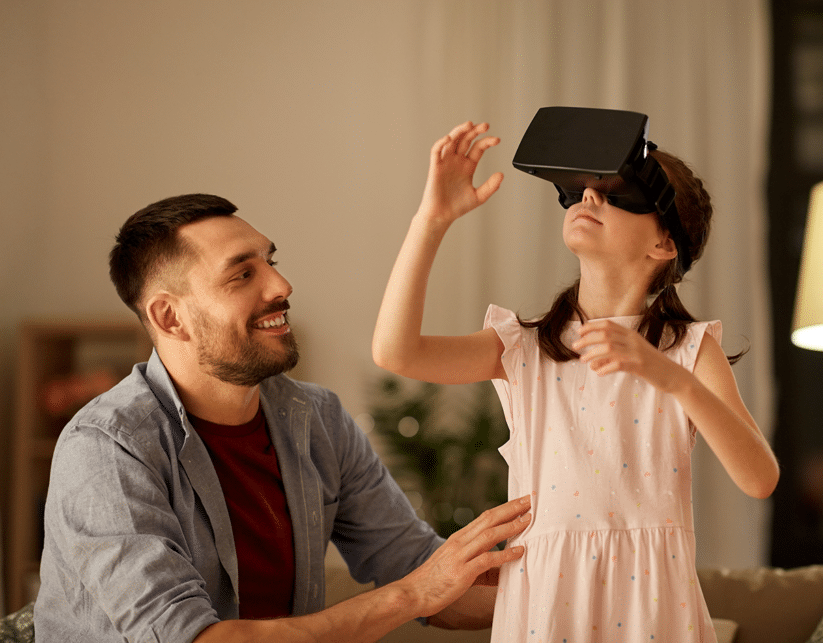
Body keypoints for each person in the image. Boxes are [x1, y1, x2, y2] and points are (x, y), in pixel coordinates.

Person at [33, 193, 532, 643]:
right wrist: (413, 595)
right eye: (242, 274)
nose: (281, 284)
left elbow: (429, 575)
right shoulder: (105, 449)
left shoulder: (318, 420)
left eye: (270, 262)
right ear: (170, 317)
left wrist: (575, 578)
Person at [373, 120, 780, 641]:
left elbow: (759, 479)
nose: (588, 195)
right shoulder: (522, 348)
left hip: (652, 603)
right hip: (545, 599)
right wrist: (431, 221)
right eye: (581, 188)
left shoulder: (688, 353)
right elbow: (395, 352)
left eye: (617, 193)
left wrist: (666, 375)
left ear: (664, 243)